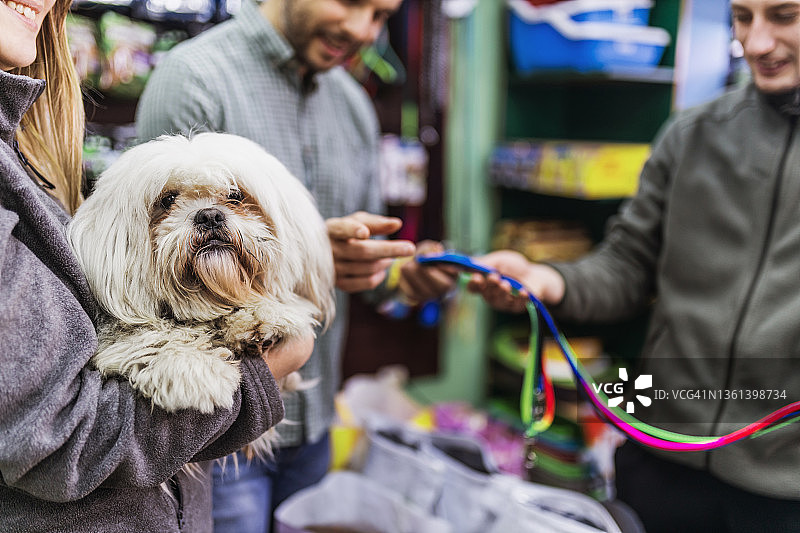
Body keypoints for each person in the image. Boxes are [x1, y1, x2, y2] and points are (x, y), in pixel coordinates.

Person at [468, 0, 800, 531]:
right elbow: (627, 264)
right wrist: (547, 279)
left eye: (784, 16)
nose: (756, 43)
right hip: (660, 459)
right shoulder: (692, 134)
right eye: (743, 16)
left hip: (785, 492)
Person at [135, 0, 455, 531]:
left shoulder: (352, 105)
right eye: (352, 2)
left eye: (381, 16)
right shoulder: (195, 78)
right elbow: (150, 273)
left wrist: (403, 275)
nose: (363, 30)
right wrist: (307, 256)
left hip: (315, 421)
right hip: (221, 432)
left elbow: (364, 272)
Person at [0, 1, 314, 531]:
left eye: (233, 200)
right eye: (169, 204)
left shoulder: (24, 146)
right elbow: (59, 439)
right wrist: (260, 374)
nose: (209, 217)